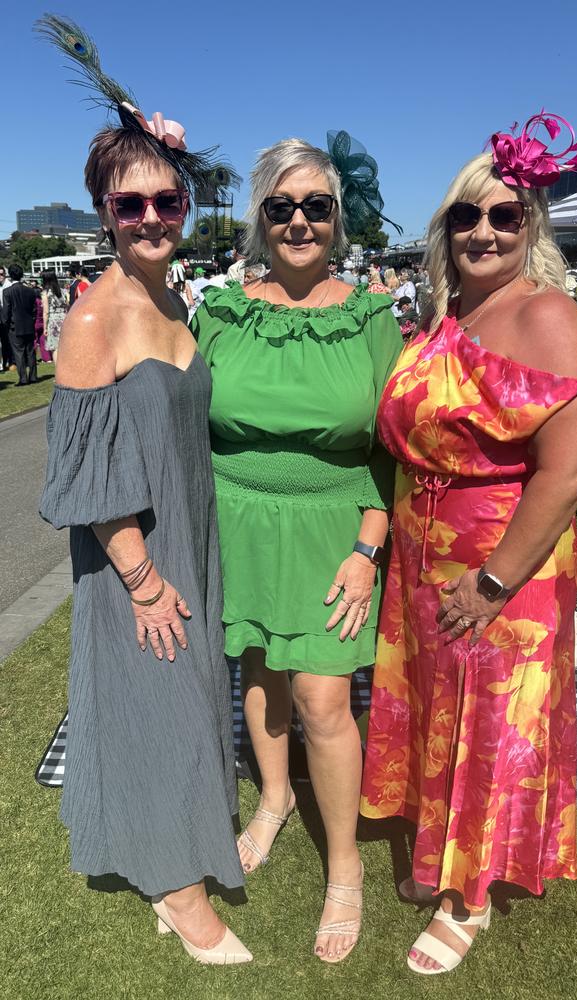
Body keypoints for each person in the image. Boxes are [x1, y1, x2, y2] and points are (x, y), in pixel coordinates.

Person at [360, 111, 577, 975]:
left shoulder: (547, 316)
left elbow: (574, 468)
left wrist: (497, 581)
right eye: (465, 216)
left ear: (532, 225)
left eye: (505, 215)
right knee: (444, 714)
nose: (482, 231)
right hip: (427, 554)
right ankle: (442, 855)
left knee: (492, 720)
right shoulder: (448, 315)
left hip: (507, 562)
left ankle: (469, 900)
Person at [36, 14, 250, 966]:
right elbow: (79, 474)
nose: (155, 218)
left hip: (187, 530)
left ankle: (186, 845)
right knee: (156, 702)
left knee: (191, 694)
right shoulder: (94, 319)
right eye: (134, 208)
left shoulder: (173, 299)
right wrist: (142, 578)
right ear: (104, 215)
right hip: (137, 553)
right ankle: (175, 887)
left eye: (169, 201)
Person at [192, 132, 403, 964]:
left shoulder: (372, 314)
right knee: (258, 672)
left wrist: (368, 547)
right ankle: (275, 798)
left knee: (322, 699)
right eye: (281, 208)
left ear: (337, 218)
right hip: (237, 520)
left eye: (316, 206)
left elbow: (394, 444)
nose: (299, 222)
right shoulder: (221, 309)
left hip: (332, 530)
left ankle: (344, 866)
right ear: (260, 219)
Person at [1, 264, 38, 385]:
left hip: (14, 326)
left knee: (18, 353)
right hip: (28, 324)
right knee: (30, 351)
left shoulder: (7, 292)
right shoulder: (30, 291)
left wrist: (5, 324)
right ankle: (33, 376)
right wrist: (32, 321)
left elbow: (6, 311)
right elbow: (34, 309)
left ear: (10, 276)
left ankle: (23, 378)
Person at [0, 265, 15, 370]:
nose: (0, 276)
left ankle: (11, 361)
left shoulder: (9, 286)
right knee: (3, 342)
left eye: (1, 274)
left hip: (9, 317)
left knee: (9, 341)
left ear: (5, 274)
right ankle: (5, 361)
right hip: (1, 317)